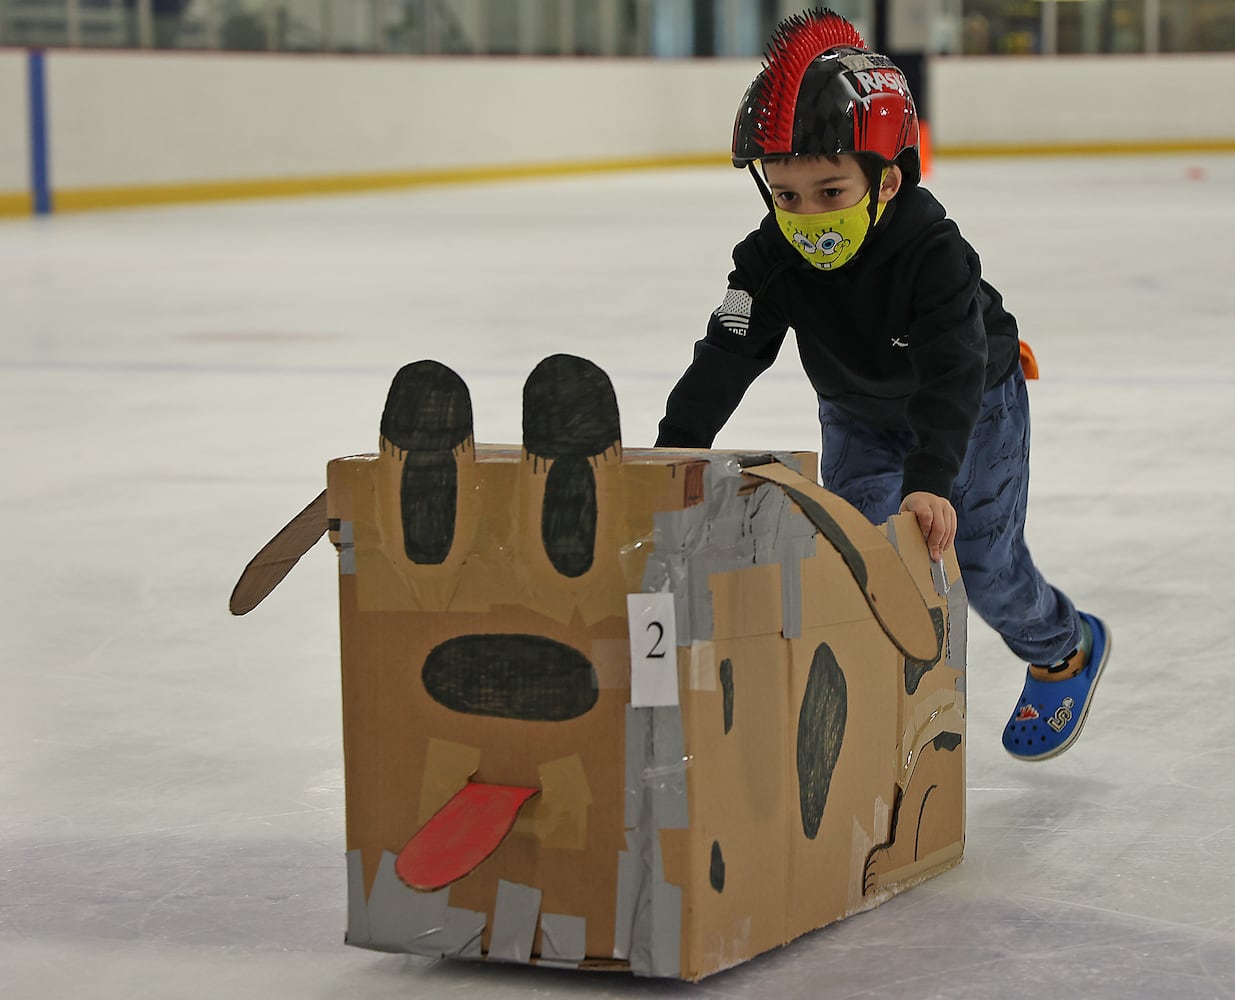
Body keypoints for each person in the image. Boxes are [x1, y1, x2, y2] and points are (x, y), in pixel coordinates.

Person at [654, 8, 1110, 761]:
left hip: (970, 406)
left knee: (985, 570)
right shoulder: (764, 259)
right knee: (859, 557)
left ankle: (1062, 647)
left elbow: (953, 370)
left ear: (886, 179)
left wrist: (931, 478)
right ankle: (874, 694)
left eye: (830, 191)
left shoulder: (933, 253)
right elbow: (726, 348)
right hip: (858, 412)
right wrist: (669, 451)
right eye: (786, 194)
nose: (806, 216)